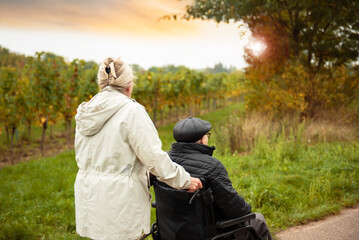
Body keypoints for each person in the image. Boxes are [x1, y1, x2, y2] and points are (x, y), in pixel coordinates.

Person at [74, 58, 202, 240]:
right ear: (129, 85)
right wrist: (185, 181)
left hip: (89, 197)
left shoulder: (86, 113)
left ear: (101, 84)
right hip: (120, 202)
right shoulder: (131, 112)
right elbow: (154, 158)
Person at [167, 116, 273, 240]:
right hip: (209, 233)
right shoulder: (211, 166)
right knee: (258, 219)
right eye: (207, 135)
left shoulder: (164, 163)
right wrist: (247, 209)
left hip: (173, 231)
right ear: (202, 139)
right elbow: (235, 209)